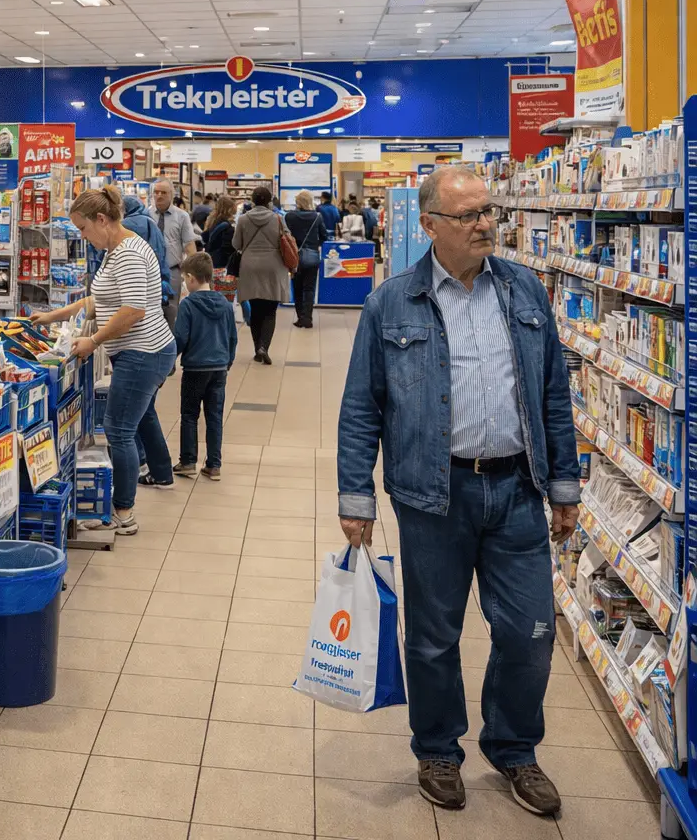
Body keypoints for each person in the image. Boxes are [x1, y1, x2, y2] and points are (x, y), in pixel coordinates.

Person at [336, 166, 579, 818]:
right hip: (431, 496)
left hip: (518, 491)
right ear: (431, 225)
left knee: (529, 632)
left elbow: (554, 393)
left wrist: (564, 483)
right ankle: (438, 749)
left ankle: (513, 747)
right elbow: (362, 407)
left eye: (487, 212)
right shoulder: (392, 302)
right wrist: (354, 498)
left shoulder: (525, 291)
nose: (484, 225)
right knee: (434, 637)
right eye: (469, 215)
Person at [34, 186, 176, 535]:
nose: (82, 236)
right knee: (130, 424)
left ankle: (124, 513)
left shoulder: (127, 253)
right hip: (140, 352)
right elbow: (96, 302)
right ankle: (143, 487)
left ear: (102, 219)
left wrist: (94, 341)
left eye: (83, 228)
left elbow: (133, 311)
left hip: (143, 353)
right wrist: (51, 317)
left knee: (119, 430)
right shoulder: (116, 249)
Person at [172, 253, 235, 480]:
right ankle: (214, 465)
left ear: (190, 278)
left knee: (189, 414)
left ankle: (188, 461)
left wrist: (171, 360)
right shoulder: (226, 305)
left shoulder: (188, 304)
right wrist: (227, 361)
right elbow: (232, 338)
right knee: (214, 416)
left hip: (194, 368)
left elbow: (180, 337)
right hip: (218, 368)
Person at [232, 186, 289, 365]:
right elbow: (287, 239)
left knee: (255, 309)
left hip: (249, 266)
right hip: (273, 266)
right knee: (270, 310)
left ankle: (257, 348)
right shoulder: (278, 219)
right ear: (269, 201)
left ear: (253, 200)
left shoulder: (243, 219)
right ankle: (264, 346)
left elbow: (236, 244)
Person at [150, 178, 195, 328]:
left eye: (163, 192)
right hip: (149, 271)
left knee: (170, 310)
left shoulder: (182, 216)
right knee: (149, 310)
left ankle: (169, 347)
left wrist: (193, 273)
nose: (159, 196)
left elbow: (189, 245)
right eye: (156, 192)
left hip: (172, 271)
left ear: (171, 194)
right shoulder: (146, 215)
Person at [283, 191, 326, 329]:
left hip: (295, 257)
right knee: (309, 288)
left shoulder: (289, 216)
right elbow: (324, 235)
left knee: (297, 288)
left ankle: (300, 317)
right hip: (312, 256)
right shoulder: (317, 217)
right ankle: (308, 318)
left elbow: (285, 235)